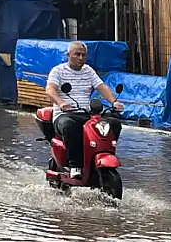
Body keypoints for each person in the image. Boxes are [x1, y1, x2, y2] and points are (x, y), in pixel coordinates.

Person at [46, 41, 124, 177]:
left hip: (87, 115)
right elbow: (50, 89)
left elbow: (102, 87)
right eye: (77, 54)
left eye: (83, 55)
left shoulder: (88, 70)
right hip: (65, 115)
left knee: (113, 123)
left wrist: (114, 102)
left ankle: (103, 155)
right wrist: (60, 102)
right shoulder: (58, 71)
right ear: (68, 55)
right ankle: (74, 165)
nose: (81, 58)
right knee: (70, 126)